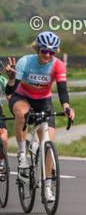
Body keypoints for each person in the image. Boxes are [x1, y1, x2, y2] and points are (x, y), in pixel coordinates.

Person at [5, 31, 76, 202]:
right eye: (45, 51)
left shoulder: (57, 65)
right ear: (38, 49)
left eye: (52, 52)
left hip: (44, 101)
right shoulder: (25, 62)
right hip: (22, 97)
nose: (48, 55)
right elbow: (10, 92)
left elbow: (62, 90)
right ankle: (22, 155)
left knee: (48, 145)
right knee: (21, 113)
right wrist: (12, 80)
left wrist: (66, 106)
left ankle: (47, 186)